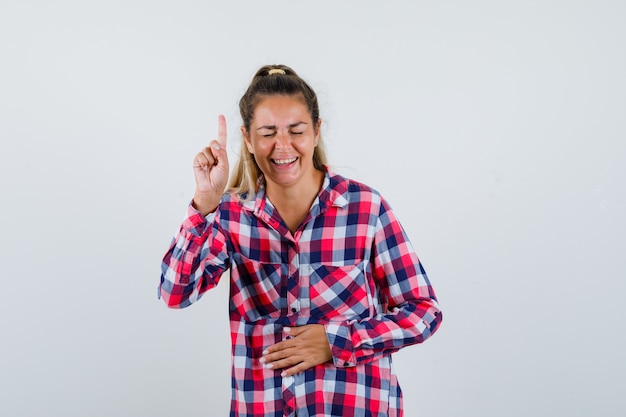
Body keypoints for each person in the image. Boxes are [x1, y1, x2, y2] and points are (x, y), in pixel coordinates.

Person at [159, 64, 443, 417]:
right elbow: (175, 292)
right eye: (267, 133)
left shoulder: (365, 208)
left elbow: (423, 311)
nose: (283, 146)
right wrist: (205, 202)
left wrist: (336, 341)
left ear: (316, 131)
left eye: (296, 130)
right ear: (247, 139)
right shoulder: (231, 213)